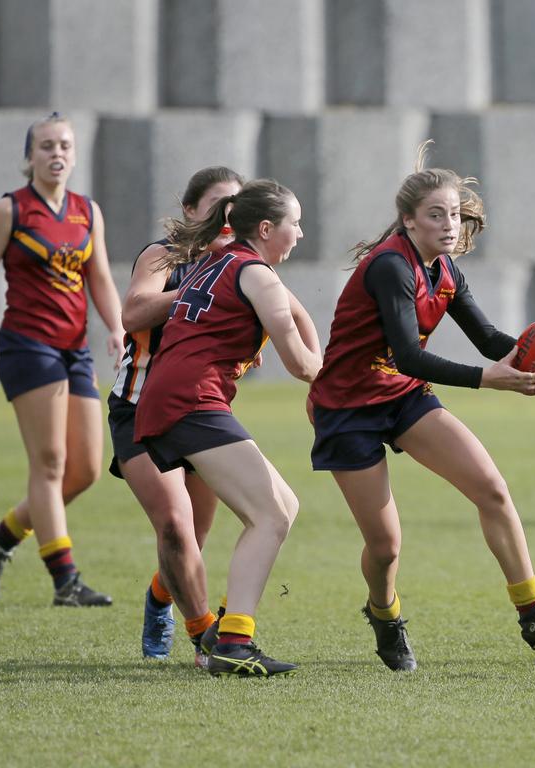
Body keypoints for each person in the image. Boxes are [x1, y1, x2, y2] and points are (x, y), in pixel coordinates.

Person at [308, 143, 535, 672]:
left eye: (455, 215)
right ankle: (385, 616)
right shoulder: (389, 267)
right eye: (436, 215)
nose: (448, 224)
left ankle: (533, 612)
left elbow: (487, 339)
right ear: (409, 220)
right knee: (386, 546)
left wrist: (534, 361)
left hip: (401, 396)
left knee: (491, 489)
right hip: (348, 409)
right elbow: (410, 354)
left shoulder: (444, 270)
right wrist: (490, 381)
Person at [0, 112, 124, 607]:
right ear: (29, 157)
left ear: (75, 154)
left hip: (75, 350)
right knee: (50, 463)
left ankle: (1, 536)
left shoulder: (88, 211)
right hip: (27, 346)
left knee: (84, 470)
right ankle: (66, 581)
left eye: (64, 145)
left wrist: (119, 327)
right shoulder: (9, 211)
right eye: (45, 146)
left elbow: (99, 278)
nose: (56, 153)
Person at [134, 179, 322, 677]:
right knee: (269, 517)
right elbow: (301, 364)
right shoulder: (255, 273)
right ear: (265, 228)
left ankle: (224, 631)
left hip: (175, 398)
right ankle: (233, 642)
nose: (300, 234)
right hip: (188, 400)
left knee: (284, 506)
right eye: (294, 224)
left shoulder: (225, 261)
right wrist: (339, 378)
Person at [108, 166, 244, 662]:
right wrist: (198, 293)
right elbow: (134, 313)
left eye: (237, 204)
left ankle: (159, 595)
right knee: (174, 526)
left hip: (201, 412)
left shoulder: (242, 265)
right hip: (139, 407)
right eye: (217, 203)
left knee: (196, 535)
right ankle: (203, 636)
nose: (229, 214)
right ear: (189, 211)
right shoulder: (164, 255)